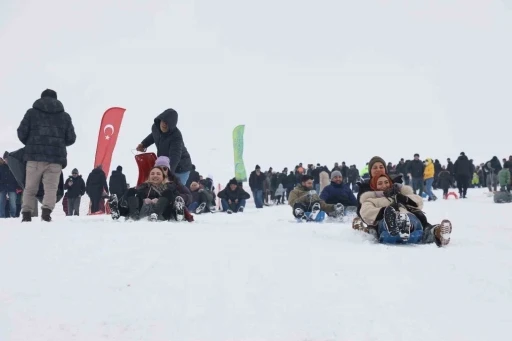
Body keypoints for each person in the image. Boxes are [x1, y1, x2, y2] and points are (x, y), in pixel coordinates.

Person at [17, 89, 76, 222]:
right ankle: (46, 213)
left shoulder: (31, 113)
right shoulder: (65, 116)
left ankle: (26, 214)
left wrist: (32, 143)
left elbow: (21, 133)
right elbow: (71, 138)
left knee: (30, 187)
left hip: (34, 157)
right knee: (51, 189)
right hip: (55, 159)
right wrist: (59, 142)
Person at [358, 174, 452, 246]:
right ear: (374, 186)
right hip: (385, 224)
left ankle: (439, 233)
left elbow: (419, 201)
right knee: (386, 223)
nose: (384, 185)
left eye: (386, 182)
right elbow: (366, 211)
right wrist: (384, 210)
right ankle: (395, 223)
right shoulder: (371, 199)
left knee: (422, 228)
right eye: (380, 183)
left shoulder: (401, 194)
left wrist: (405, 199)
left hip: (411, 220)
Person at [136, 109, 193, 185]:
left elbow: (175, 157)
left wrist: (168, 173)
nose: (164, 124)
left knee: (176, 190)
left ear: (172, 125)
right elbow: (153, 135)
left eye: (167, 123)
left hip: (181, 168)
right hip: (165, 164)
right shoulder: (155, 127)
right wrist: (144, 144)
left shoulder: (176, 136)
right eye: (163, 121)